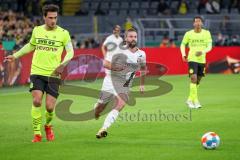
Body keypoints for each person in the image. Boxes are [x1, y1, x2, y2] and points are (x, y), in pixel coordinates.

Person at [4, 4, 74, 142]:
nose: (53, 20)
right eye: (50, 18)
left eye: (55, 17)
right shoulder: (37, 30)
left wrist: (62, 65)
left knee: (49, 107)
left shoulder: (63, 33)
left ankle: (48, 126)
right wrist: (16, 55)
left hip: (54, 74)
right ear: (44, 17)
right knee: (36, 101)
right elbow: (31, 45)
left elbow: (71, 51)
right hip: (37, 71)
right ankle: (37, 133)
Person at [94, 28, 146, 138]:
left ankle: (103, 128)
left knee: (120, 105)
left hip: (125, 84)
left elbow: (143, 69)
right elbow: (106, 63)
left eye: (135, 37)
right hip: (110, 80)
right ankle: (96, 111)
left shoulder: (141, 54)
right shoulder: (117, 50)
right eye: (131, 36)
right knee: (100, 108)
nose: (133, 39)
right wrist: (119, 68)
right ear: (126, 38)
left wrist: (142, 84)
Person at [180, 16, 212, 109]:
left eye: (199, 21)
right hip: (192, 59)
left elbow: (209, 46)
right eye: (196, 22)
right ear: (193, 24)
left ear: (202, 23)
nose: (198, 23)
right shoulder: (188, 34)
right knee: (193, 78)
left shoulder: (207, 33)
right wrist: (183, 54)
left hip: (202, 60)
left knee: (198, 81)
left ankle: (190, 99)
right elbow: (182, 44)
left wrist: (202, 52)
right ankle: (196, 101)